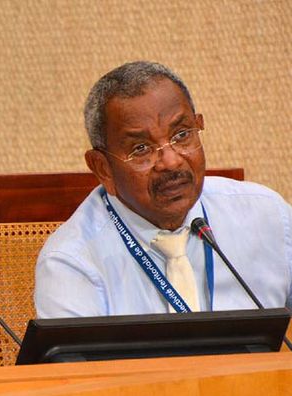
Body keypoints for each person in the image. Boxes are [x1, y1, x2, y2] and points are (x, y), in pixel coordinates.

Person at [35, 61, 292, 318]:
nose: (171, 161)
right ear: (103, 168)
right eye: (141, 149)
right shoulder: (71, 263)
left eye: (181, 135)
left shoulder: (269, 218)